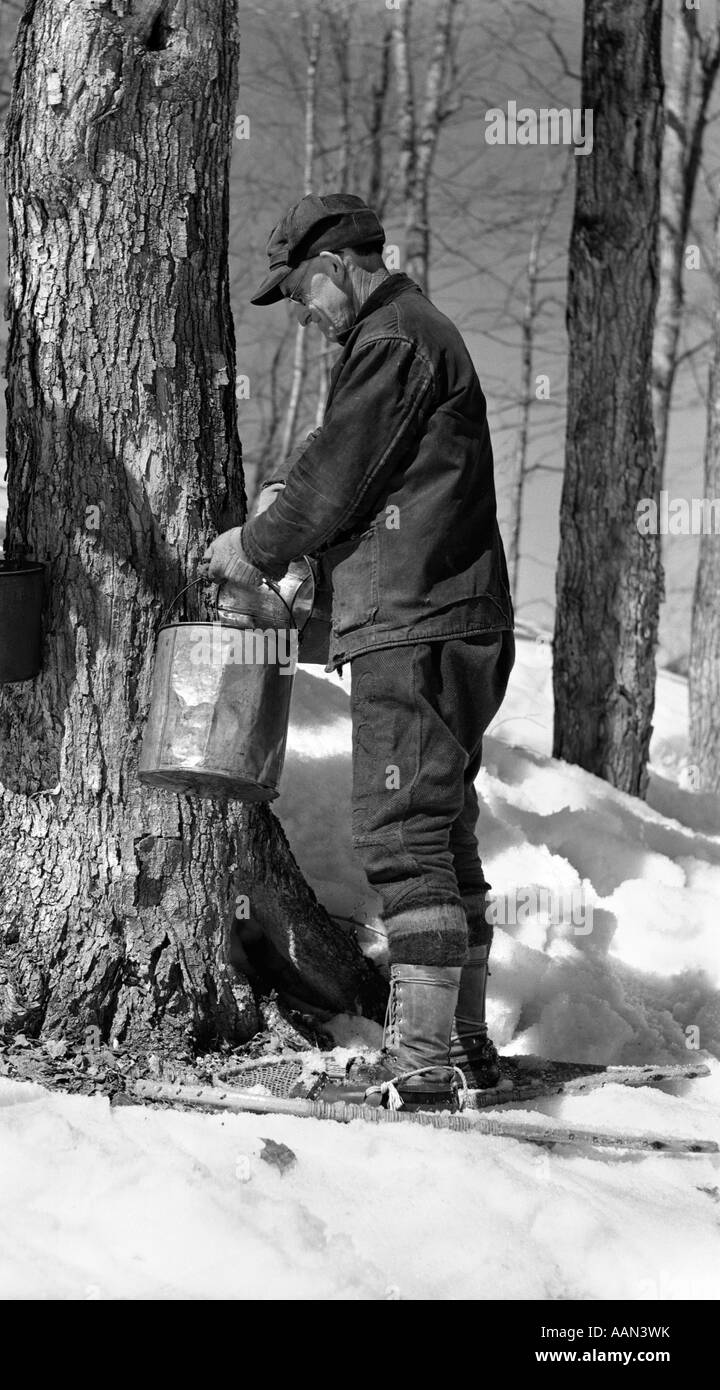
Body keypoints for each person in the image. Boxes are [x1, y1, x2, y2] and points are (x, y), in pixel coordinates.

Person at [201, 193, 515, 1103]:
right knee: (443, 834)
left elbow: (336, 484)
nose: (301, 313)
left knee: (402, 838)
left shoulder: (393, 340)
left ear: (339, 264)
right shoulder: (410, 340)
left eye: (301, 291)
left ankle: (419, 1066)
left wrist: (252, 548)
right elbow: (368, 488)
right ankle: (463, 1045)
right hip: (452, 620)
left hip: (415, 629)